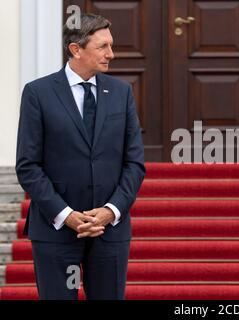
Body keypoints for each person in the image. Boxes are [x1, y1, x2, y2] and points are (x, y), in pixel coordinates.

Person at [15, 13, 146, 300]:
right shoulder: (38, 93)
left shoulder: (122, 93)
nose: (111, 54)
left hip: (109, 232)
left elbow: (134, 163)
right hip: (55, 230)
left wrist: (111, 210)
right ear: (76, 49)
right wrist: (66, 215)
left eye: (111, 45)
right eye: (103, 47)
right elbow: (28, 165)